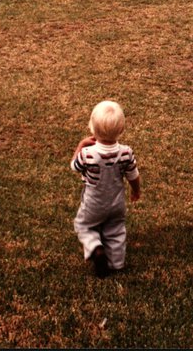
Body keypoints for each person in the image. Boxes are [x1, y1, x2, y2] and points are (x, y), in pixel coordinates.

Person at [71, 100, 141, 278]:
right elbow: (133, 175)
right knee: (116, 229)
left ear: (92, 129)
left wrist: (80, 145)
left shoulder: (88, 154)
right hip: (116, 203)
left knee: (83, 225)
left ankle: (95, 248)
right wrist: (136, 190)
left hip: (94, 203)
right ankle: (117, 263)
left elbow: (74, 166)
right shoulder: (126, 152)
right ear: (121, 129)